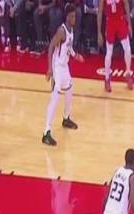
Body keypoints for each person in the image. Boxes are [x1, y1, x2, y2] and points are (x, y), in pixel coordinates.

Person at [42, 3, 84, 146]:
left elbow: (68, 46)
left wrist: (75, 55)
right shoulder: (61, 31)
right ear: (67, 17)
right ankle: (46, 132)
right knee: (54, 98)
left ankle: (66, 118)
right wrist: (49, 68)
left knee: (70, 88)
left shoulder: (71, 30)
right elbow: (51, 47)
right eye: (72, 17)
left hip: (64, 66)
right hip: (57, 67)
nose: (74, 19)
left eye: (75, 16)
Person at [97, 0, 134, 92]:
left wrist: (129, 24)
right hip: (110, 22)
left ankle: (128, 73)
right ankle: (107, 79)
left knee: (127, 49)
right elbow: (100, 12)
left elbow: (126, 5)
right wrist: (99, 32)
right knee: (109, 52)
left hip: (120, 21)